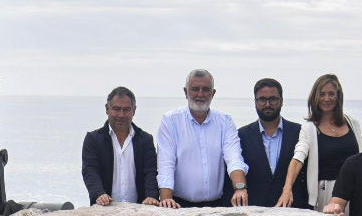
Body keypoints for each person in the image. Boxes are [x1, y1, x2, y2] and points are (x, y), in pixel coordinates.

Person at [156, 69, 249, 208]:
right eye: (195, 89)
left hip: (218, 205)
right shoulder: (170, 121)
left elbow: (234, 158)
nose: (200, 94)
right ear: (185, 92)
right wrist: (166, 200)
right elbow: (166, 164)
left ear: (213, 93)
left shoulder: (225, 121)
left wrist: (240, 188)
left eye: (206, 89)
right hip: (179, 205)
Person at [278, 73, 362, 212]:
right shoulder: (309, 128)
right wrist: (287, 189)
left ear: (338, 96)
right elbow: (298, 158)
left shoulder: (352, 123)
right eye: (322, 94)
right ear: (315, 98)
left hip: (354, 190)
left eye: (331, 94)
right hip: (326, 193)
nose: (327, 98)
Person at [80, 86, 160, 206]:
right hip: (105, 207)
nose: (121, 115)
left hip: (140, 209)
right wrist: (99, 193)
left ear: (134, 110)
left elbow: (150, 172)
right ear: (107, 109)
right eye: (116, 109)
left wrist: (151, 196)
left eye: (126, 109)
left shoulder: (145, 140)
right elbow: (90, 171)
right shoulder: (93, 139)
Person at [233, 78, 305, 207]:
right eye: (262, 99)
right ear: (255, 102)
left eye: (273, 99)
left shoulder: (299, 132)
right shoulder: (241, 135)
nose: (267, 104)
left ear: (281, 101)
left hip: (292, 209)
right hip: (254, 211)